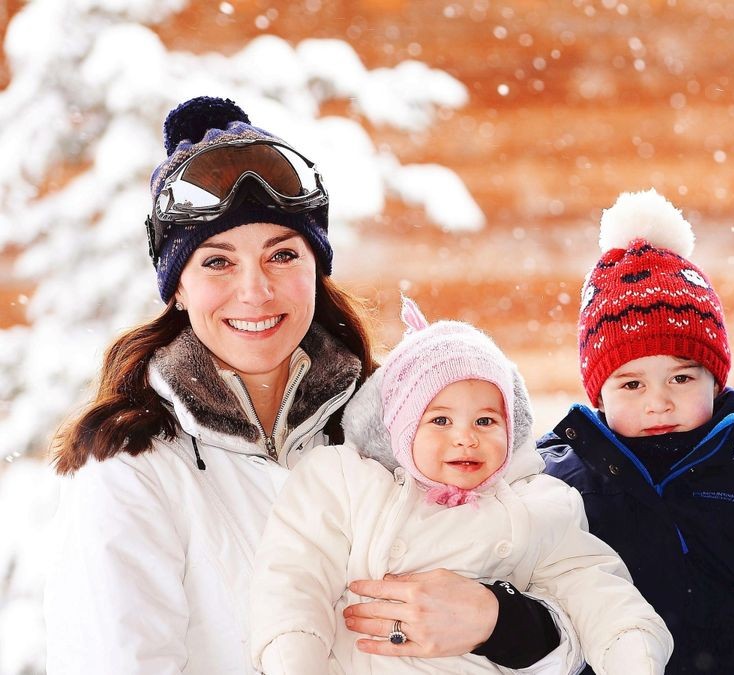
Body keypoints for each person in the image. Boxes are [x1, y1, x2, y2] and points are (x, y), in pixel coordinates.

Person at [42, 96, 573, 674]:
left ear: (315, 270)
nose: (255, 291)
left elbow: (564, 593)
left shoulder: (398, 424)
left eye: (282, 255)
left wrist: (505, 624)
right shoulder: (133, 467)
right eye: (217, 262)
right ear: (177, 288)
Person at [250, 299, 672, 674]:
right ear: (400, 427)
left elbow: (592, 587)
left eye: (486, 421)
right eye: (440, 420)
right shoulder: (349, 483)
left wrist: (631, 648)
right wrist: (294, 655)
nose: (465, 437)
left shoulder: (535, 504)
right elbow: (294, 575)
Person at [539, 189, 734, 674]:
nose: (658, 402)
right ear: (600, 395)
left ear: (715, 379)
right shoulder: (561, 485)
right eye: (632, 383)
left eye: (681, 378)